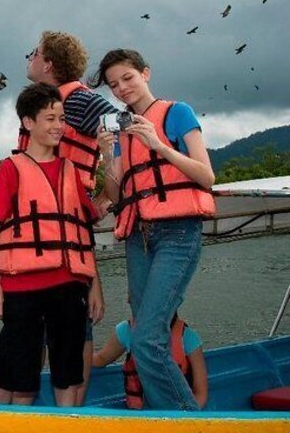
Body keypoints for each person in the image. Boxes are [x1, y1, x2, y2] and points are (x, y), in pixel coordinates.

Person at [90, 48, 216, 410]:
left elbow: (206, 176)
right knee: (145, 336)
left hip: (177, 233)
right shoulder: (121, 129)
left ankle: (186, 422)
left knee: (146, 340)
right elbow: (117, 194)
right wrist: (108, 155)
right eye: (114, 85)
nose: (122, 88)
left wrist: (158, 144)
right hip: (138, 237)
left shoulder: (178, 113)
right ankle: (173, 415)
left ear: (145, 73)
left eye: (127, 78)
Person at [0, 83, 99, 407]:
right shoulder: (11, 168)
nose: (59, 126)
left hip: (70, 284)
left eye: (62, 119)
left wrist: (95, 287)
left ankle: (65, 425)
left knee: (68, 369)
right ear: (28, 122)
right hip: (21, 286)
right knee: (17, 372)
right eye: (50, 119)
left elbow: (82, 231)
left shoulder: (71, 170)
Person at [21, 30, 119, 404]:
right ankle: (38, 410)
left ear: (48, 64)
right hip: (37, 238)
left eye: (34, 53)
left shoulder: (77, 102)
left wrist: (104, 198)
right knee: (35, 329)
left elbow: (123, 128)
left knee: (74, 328)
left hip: (71, 239)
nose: (29, 58)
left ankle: (72, 411)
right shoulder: (41, 109)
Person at [92, 314, 208, 409]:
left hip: (175, 416)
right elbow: (100, 359)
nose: (128, 301)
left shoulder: (188, 338)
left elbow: (201, 393)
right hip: (138, 415)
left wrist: (185, 417)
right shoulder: (126, 330)